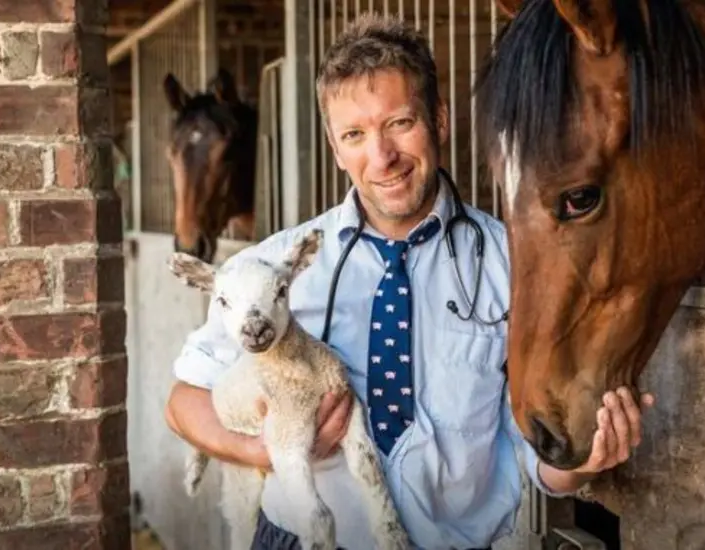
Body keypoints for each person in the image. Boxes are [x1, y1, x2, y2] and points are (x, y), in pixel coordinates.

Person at [165, 12, 654, 550]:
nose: (382, 158)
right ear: (334, 148)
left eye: (400, 123)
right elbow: (184, 399)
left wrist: (586, 461)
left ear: (439, 120)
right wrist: (266, 450)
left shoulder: (511, 263)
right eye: (355, 134)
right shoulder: (276, 264)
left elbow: (535, 462)